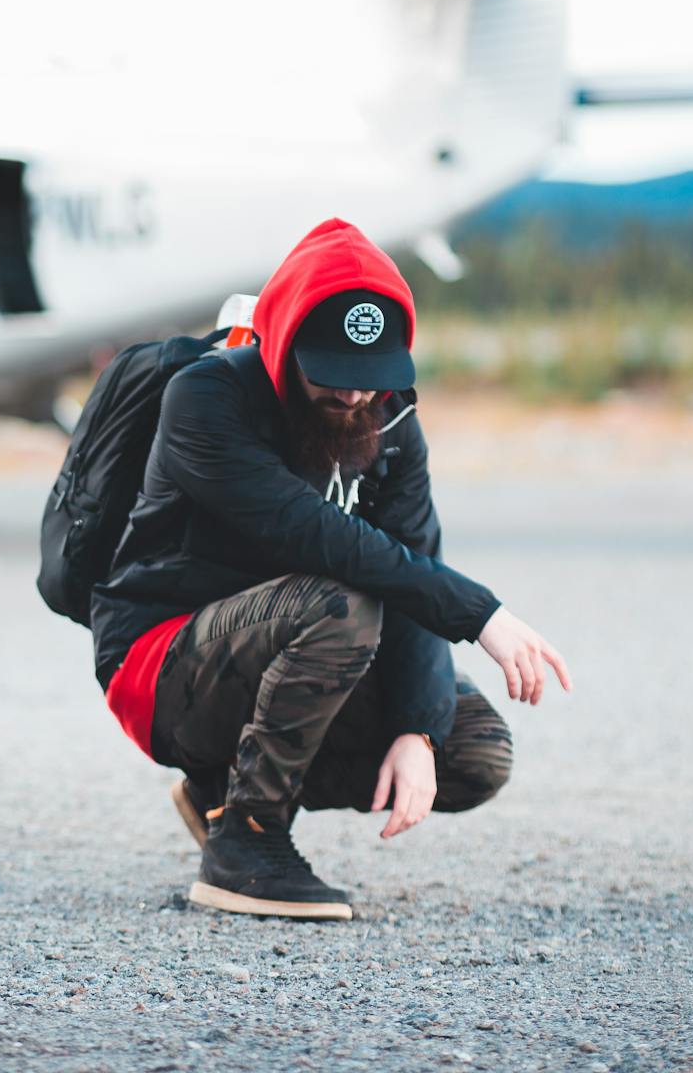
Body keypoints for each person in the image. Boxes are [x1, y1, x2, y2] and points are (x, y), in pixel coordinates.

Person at [92, 218, 572, 920]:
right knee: (341, 602)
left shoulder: (391, 420)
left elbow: (412, 562)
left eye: (371, 379)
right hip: (159, 661)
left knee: (470, 750)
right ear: (284, 345)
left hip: (285, 643)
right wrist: (483, 616)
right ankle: (247, 846)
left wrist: (416, 727)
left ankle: (224, 795)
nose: (352, 398)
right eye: (332, 375)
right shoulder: (207, 401)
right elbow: (322, 540)